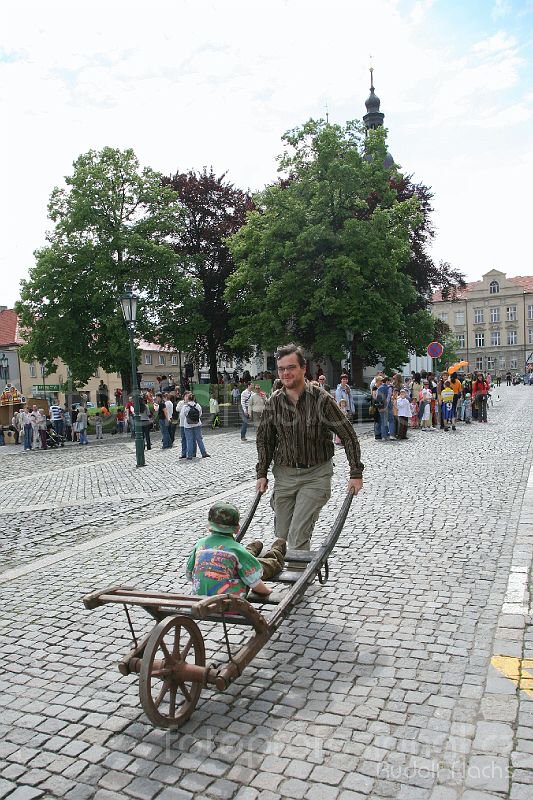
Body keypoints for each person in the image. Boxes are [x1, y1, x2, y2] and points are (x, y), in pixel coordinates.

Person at [256, 343, 364, 551]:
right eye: (281, 369)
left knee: (298, 534)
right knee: (282, 534)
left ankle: (296, 580)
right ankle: (295, 570)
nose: (286, 373)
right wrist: (262, 473)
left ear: (303, 368)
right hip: (285, 474)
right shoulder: (274, 402)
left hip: (315, 474)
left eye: (291, 367)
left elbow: (348, 435)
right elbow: (265, 439)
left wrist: (355, 473)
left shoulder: (321, 400)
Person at [186, 501, 286, 598]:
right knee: (253, 564)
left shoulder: (200, 545)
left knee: (234, 560)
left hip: (199, 601)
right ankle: (275, 553)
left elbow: (189, 574)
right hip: (229, 603)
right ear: (237, 528)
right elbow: (254, 582)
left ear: (209, 527)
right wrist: (266, 591)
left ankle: (251, 549)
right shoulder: (237, 550)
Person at [180, 393, 210, 459]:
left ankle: (190, 455)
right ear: (194, 398)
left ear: (188, 398)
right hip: (197, 424)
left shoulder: (185, 407)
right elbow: (200, 414)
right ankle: (203, 453)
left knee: (189, 440)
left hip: (188, 425)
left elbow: (182, 415)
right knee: (199, 439)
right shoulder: (198, 406)